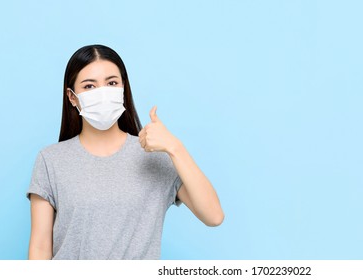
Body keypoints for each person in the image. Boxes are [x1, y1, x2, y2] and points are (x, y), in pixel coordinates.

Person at [26, 44, 224, 260]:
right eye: (89, 86)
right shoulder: (51, 160)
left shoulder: (155, 157)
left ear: (122, 89)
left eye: (111, 83)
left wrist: (175, 147)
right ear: (72, 97)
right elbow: (40, 247)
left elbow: (213, 216)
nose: (102, 93)